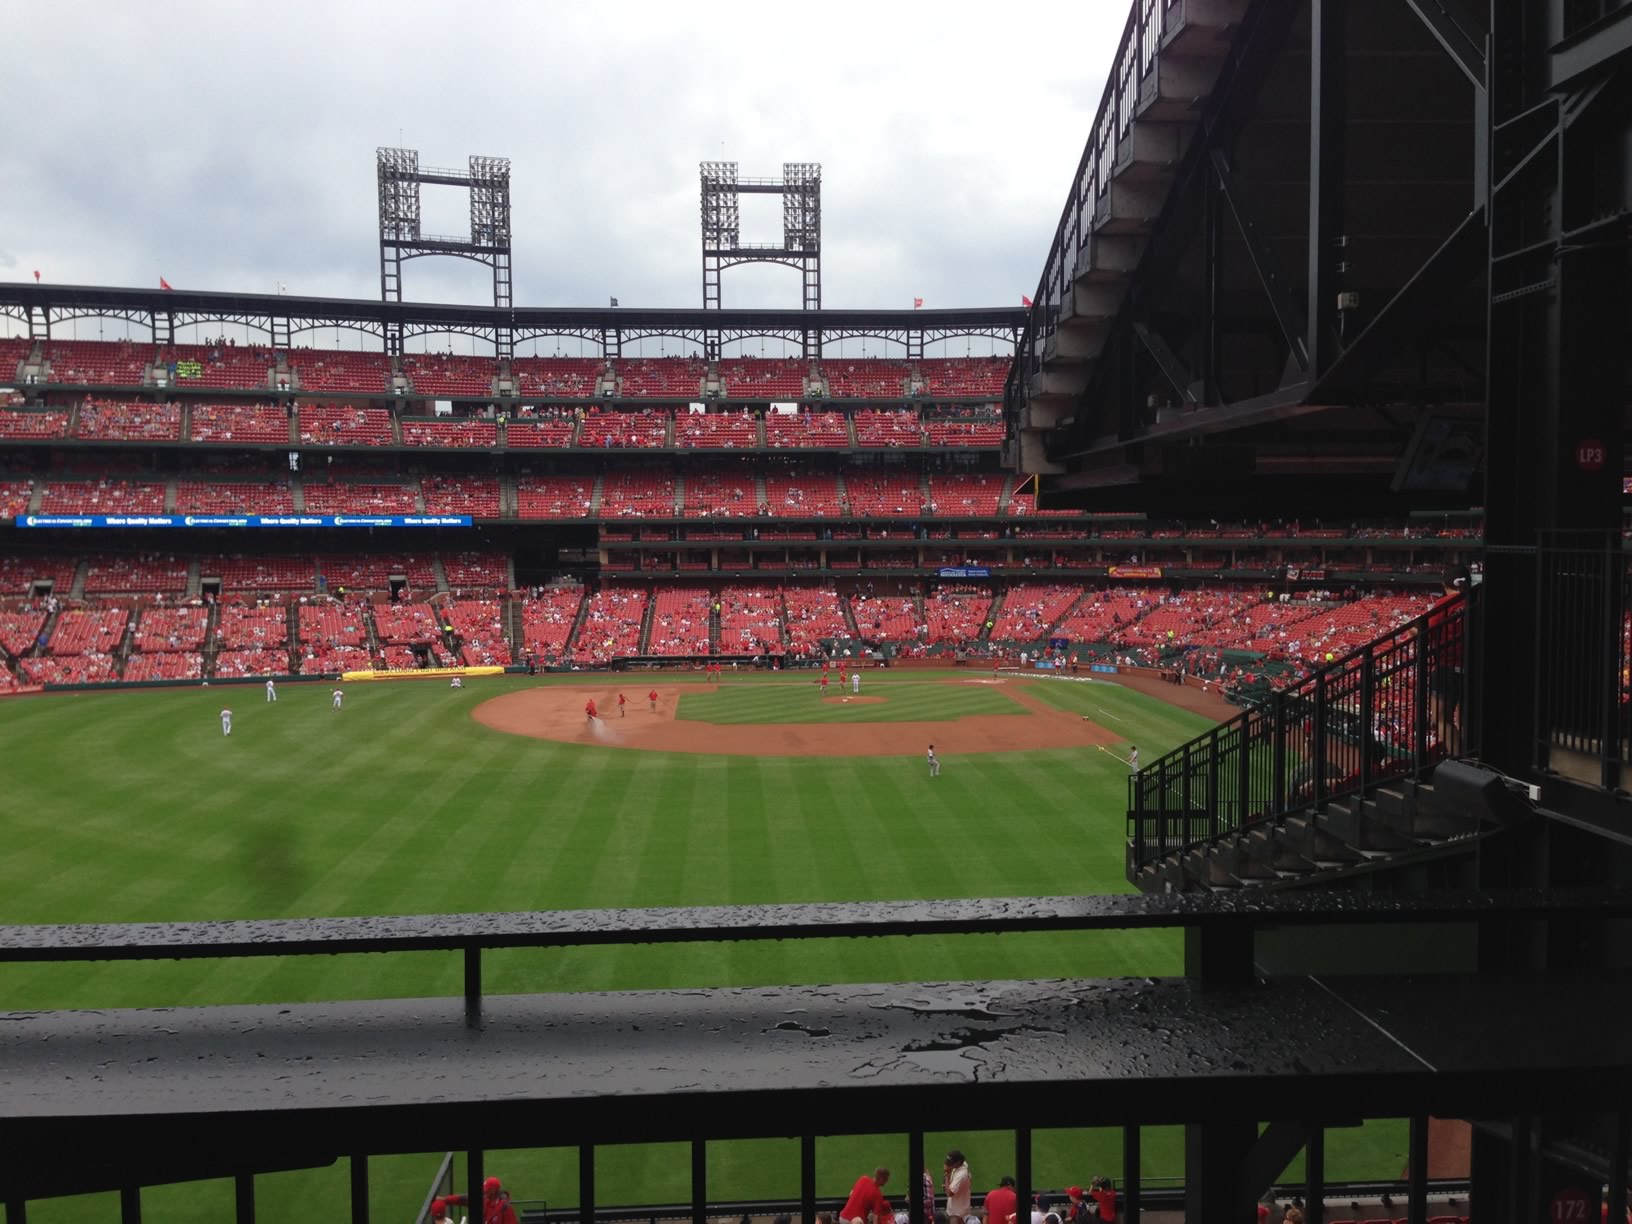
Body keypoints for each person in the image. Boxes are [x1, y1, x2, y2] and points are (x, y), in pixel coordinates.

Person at [446, 1175, 520, 1224]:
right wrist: (445, 1200)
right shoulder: (484, 1200)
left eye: (486, 1190)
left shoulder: (505, 1207)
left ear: (493, 1191)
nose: (484, 1192)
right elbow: (463, 1199)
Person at [944, 1151, 972, 1222]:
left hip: (957, 1213)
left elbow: (949, 1193)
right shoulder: (964, 1164)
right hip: (960, 1208)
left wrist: (947, 1175)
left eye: (952, 1163)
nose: (950, 1165)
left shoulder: (961, 1175)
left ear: (959, 1162)